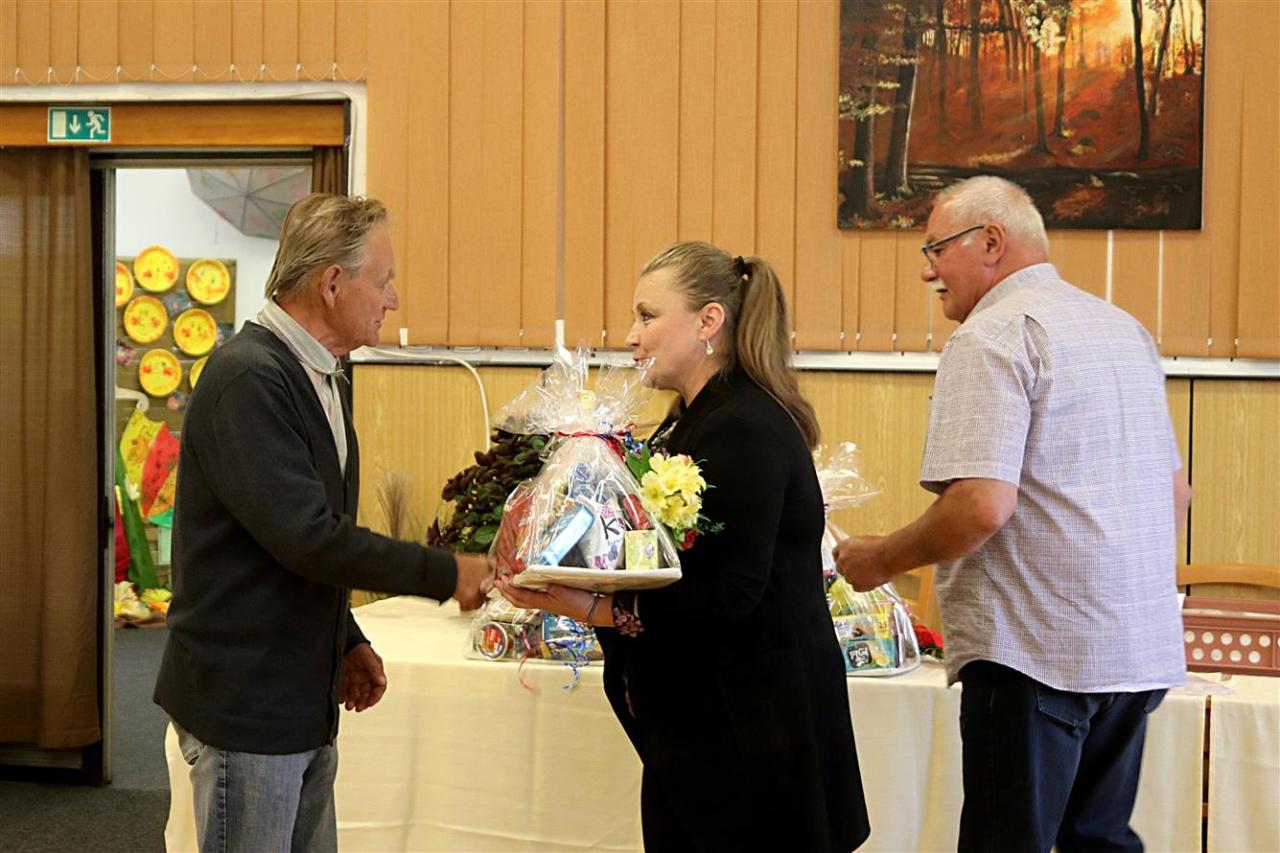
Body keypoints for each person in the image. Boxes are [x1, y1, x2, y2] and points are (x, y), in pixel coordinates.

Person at [834, 176, 1191, 853]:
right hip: (1135, 650)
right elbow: (1176, 494)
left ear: (991, 241)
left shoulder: (994, 333)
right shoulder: (1126, 330)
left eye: (936, 248)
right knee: (1099, 842)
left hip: (1034, 654)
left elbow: (981, 503)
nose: (927, 270)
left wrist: (880, 559)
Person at [497, 241, 871, 852]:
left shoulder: (743, 426)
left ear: (708, 321)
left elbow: (729, 595)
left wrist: (592, 607)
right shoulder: (690, 420)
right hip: (711, 729)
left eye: (647, 316)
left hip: (754, 739)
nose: (630, 336)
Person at [154, 193, 492, 853]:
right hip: (248, 705)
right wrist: (447, 572)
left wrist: (344, 637)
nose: (393, 299)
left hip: (295, 700)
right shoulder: (249, 380)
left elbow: (291, 537)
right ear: (332, 284)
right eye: (384, 280)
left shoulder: (318, 374)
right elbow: (306, 536)